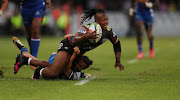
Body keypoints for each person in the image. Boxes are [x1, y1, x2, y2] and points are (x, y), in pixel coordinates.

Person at [23, 9, 124, 79]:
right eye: (104, 20)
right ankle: (34, 67)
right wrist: (86, 37)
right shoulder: (86, 28)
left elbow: (117, 44)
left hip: (77, 53)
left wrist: (118, 61)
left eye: (107, 19)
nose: (107, 22)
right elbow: (75, 39)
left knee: (61, 73)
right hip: (68, 46)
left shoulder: (109, 32)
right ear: (96, 21)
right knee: (53, 73)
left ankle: (27, 58)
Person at [12, 37, 93, 80]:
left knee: (36, 64)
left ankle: (23, 49)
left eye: (81, 67)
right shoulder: (74, 59)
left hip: (57, 57)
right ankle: (24, 55)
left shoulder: (77, 72)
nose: (78, 66)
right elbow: (66, 36)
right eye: (79, 64)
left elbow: (68, 71)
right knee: (49, 68)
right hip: (56, 58)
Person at [20, 0, 51, 65]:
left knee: (35, 30)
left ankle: (34, 57)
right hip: (25, 6)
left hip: (38, 4)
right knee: (29, 33)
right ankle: (31, 53)